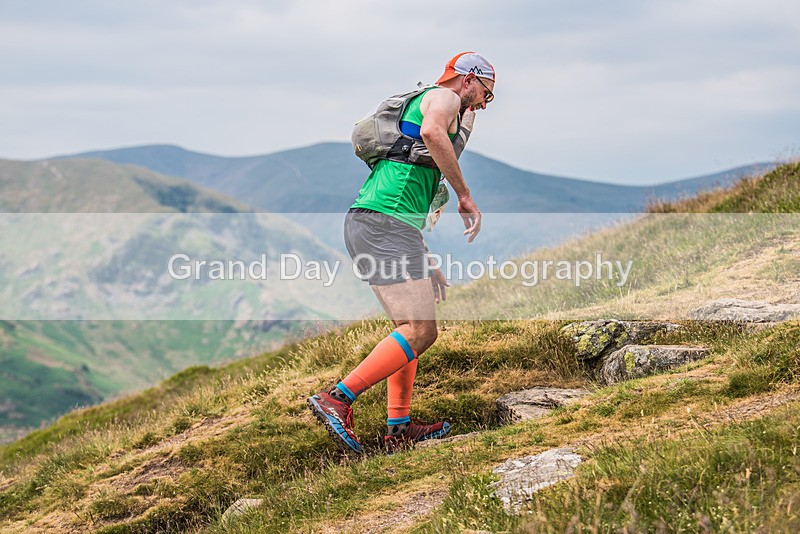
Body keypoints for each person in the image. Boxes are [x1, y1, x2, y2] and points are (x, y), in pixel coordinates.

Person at [307, 52, 496, 453]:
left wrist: (426, 259)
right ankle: (337, 399)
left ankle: (399, 429)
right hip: (383, 224)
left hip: (377, 223)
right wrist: (464, 195)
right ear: (468, 79)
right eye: (485, 94)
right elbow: (431, 134)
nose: (482, 103)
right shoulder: (442, 98)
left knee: (408, 329)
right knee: (421, 331)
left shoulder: (444, 103)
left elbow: (409, 185)